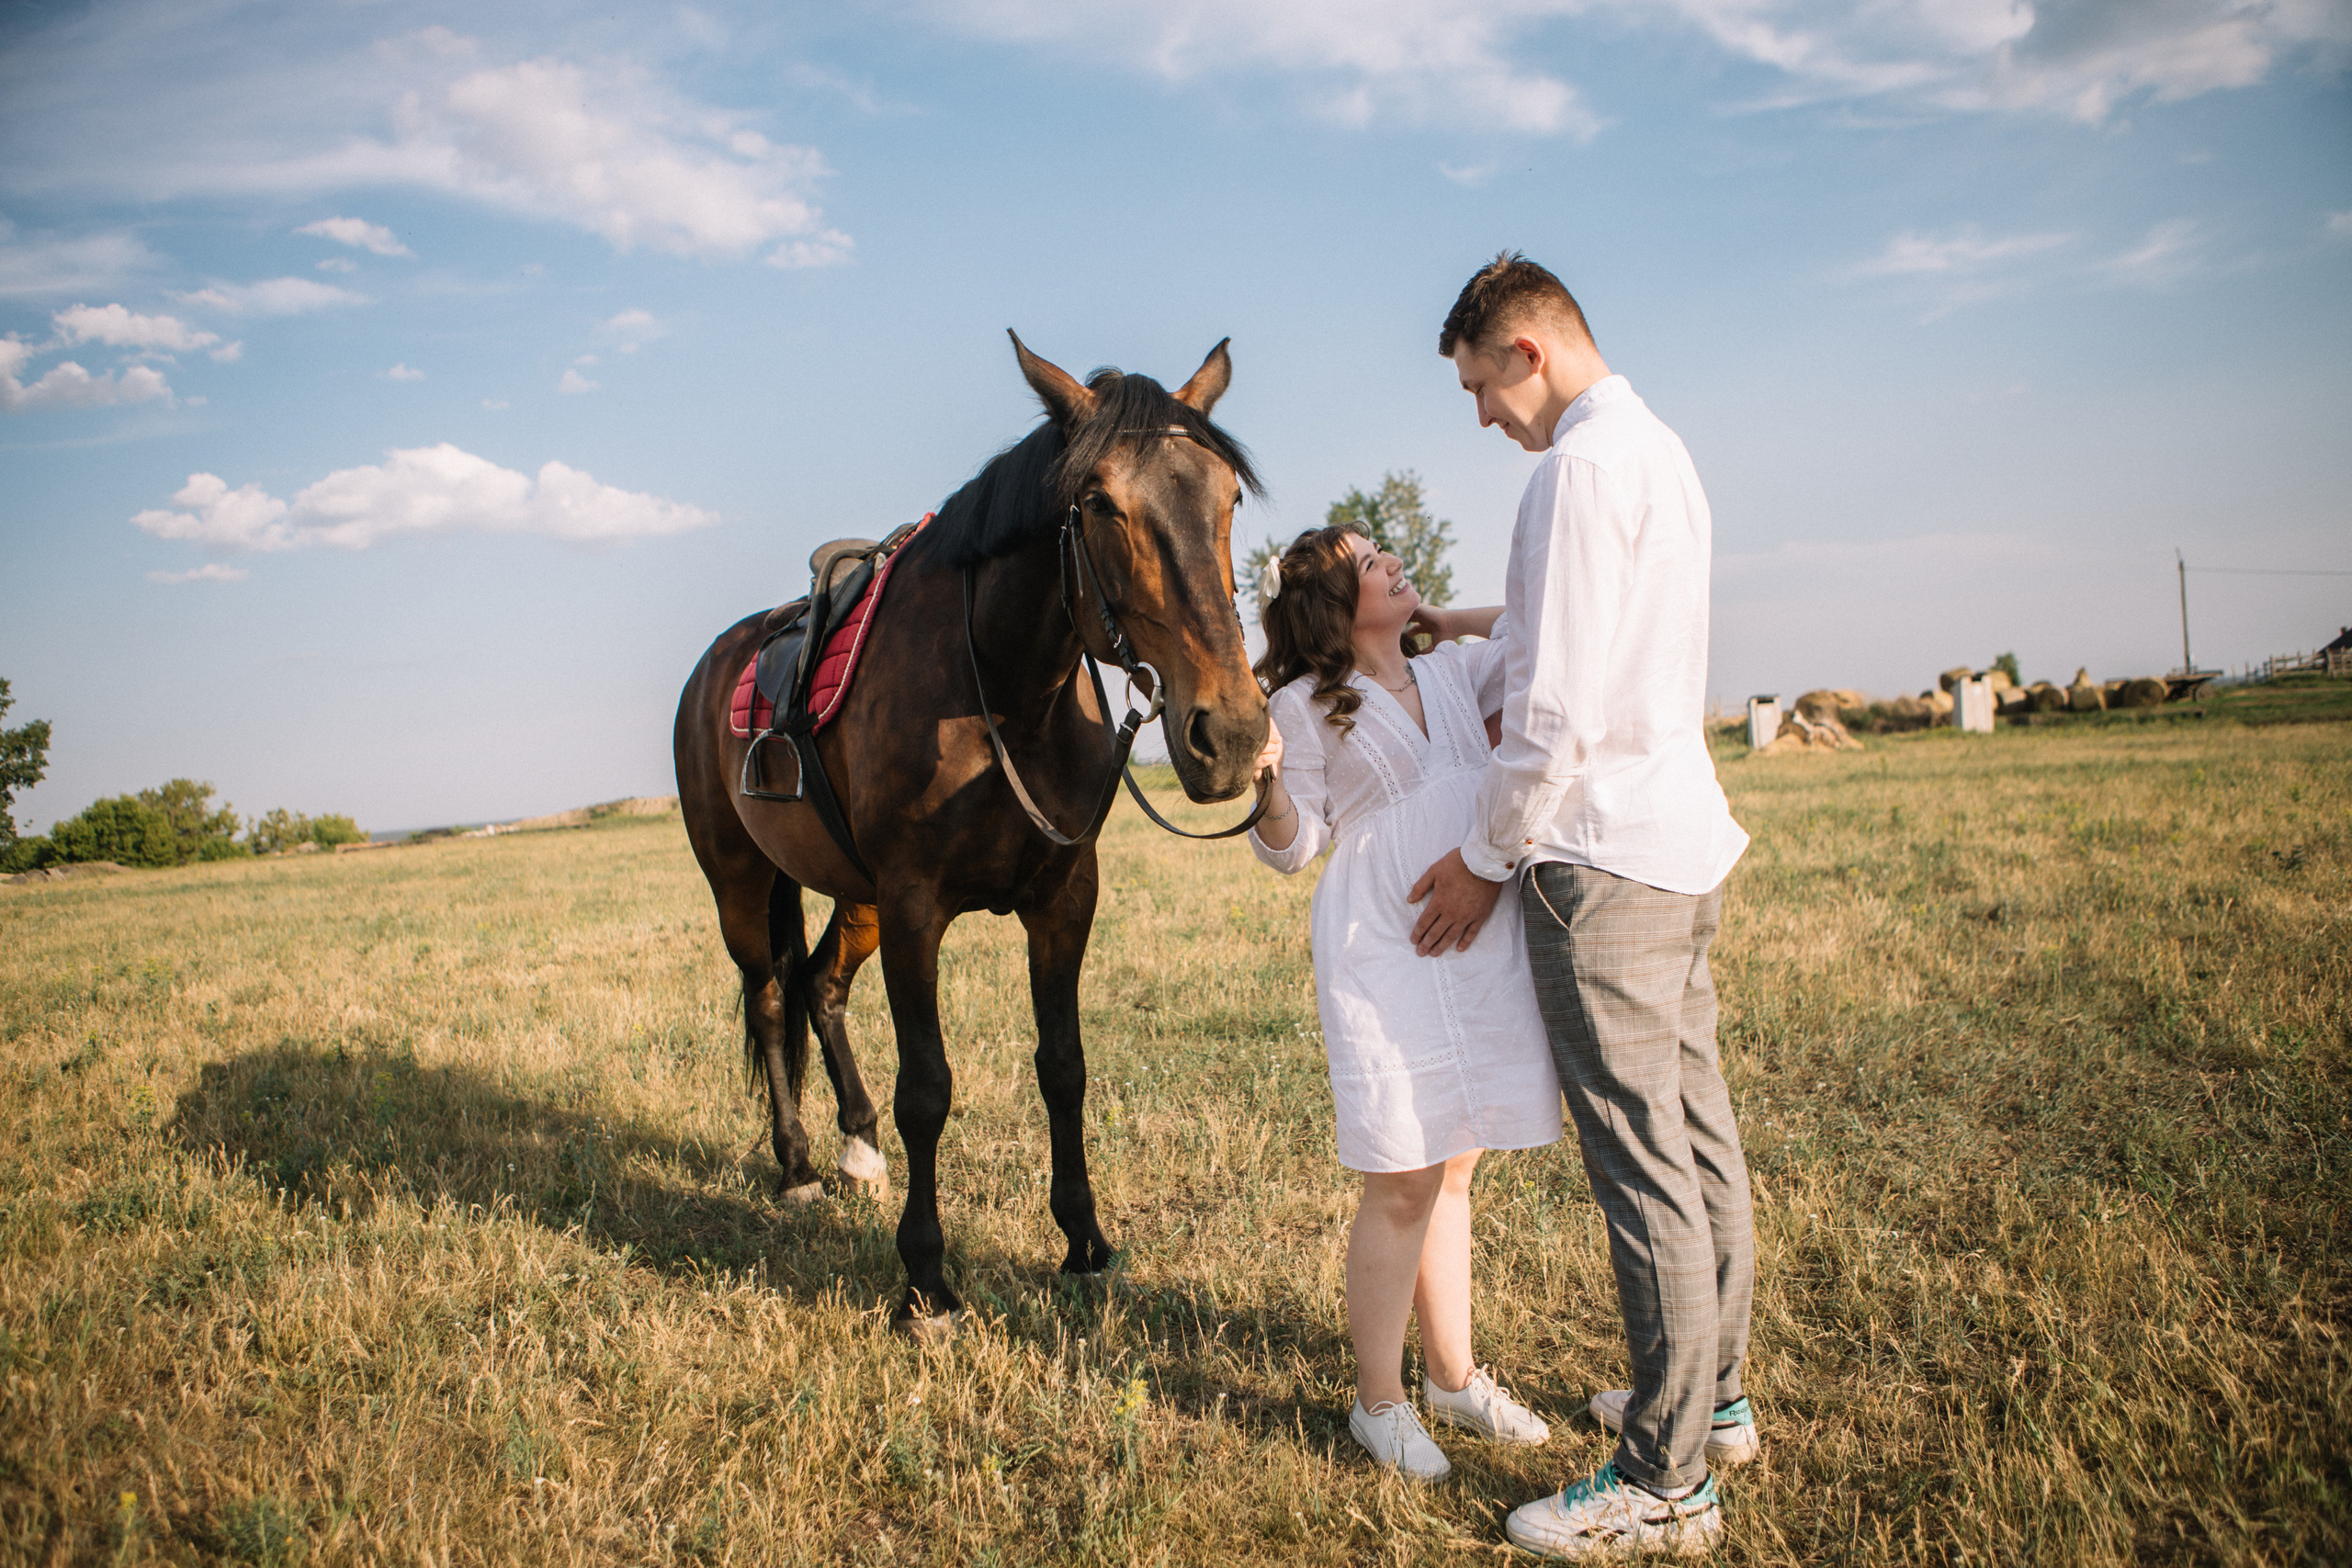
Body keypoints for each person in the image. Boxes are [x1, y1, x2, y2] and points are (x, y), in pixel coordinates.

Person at [1407, 253, 1758, 1559]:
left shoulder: (1571, 472)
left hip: (1598, 862)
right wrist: (1453, 617)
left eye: (1478, 387)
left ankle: (1664, 1482)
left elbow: (1549, 709)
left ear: (1525, 351)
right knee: (1699, 1133)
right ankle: (1714, 1400)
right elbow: (1579, 623)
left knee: (1640, 1167)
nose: (1482, 419)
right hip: (1678, 842)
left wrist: (1485, 860)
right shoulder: (1654, 451)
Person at [1245, 524, 1562, 1482]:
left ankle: (1453, 1377)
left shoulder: (1461, 670)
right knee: (1402, 1174)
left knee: (1456, 1163)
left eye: (1383, 552)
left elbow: (1541, 620)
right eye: (1366, 561)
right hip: (1382, 943)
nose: (1387, 559)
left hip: (1477, 935)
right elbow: (1291, 848)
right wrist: (1263, 778)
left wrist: (1435, 616)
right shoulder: (1300, 705)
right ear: (1331, 606)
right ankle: (1376, 1402)